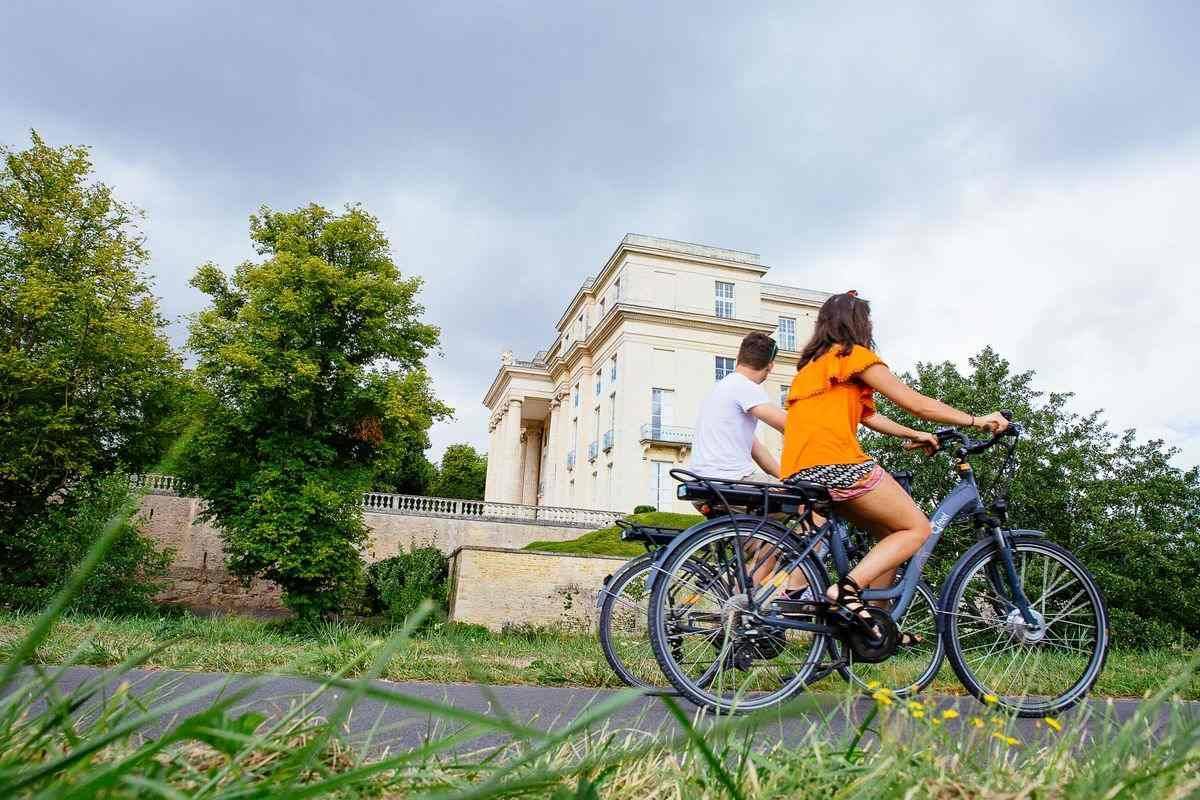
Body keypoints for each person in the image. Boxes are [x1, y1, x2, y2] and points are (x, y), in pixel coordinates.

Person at [780, 290, 1008, 643]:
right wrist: (978, 420)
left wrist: (917, 434)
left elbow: (870, 416)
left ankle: (875, 628)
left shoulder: (811, 369)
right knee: (916, 530)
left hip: (799, 470)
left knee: (891, 534)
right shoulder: (853, 355)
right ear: (860, 324)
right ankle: (847, 591)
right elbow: (916, 402)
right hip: (838, 466)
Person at [687, 331, 787, 484]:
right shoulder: (744, 386)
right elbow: (790, 426)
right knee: (805, 499)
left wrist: (785, 478)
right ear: (770, 366)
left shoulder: (722, 387)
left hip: (702, 483)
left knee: (790, 489)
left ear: (739, 358)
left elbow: (757, 450)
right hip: (730, 481)